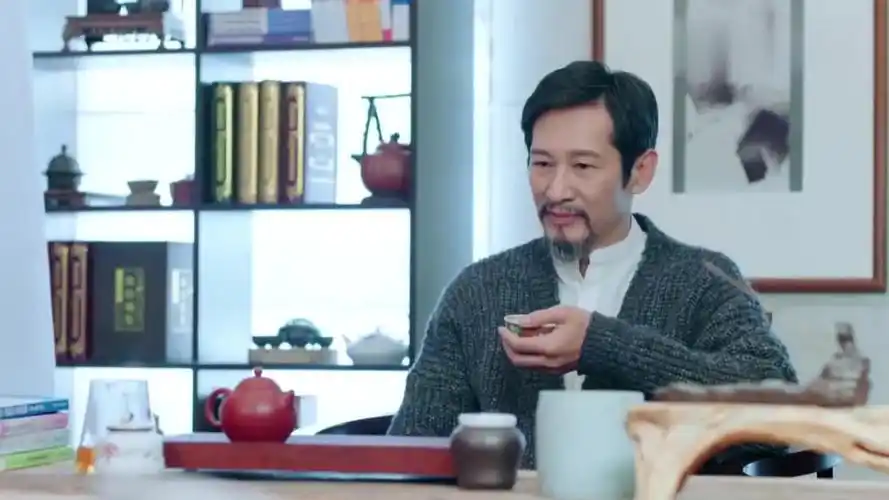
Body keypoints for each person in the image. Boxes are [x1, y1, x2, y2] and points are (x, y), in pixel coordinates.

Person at [388, 60, 797, 468]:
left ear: (640, 172)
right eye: (542, 164)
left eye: (582, 166)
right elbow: (412, 448)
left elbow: (779, 412)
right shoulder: (477, 290)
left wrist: (602, 345)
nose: (556, 190)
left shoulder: (706, 280)